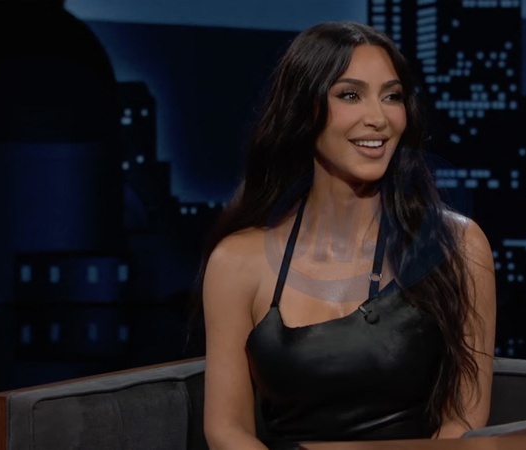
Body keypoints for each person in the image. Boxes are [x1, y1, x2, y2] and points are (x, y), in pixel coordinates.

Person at [199, 21, 496, 450]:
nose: (378, 118)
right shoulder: (236, 261)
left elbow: (463, 422)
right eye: (350, 95)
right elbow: (227, 430)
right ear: (305, 110)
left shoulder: (458, 246)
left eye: (392, 96)